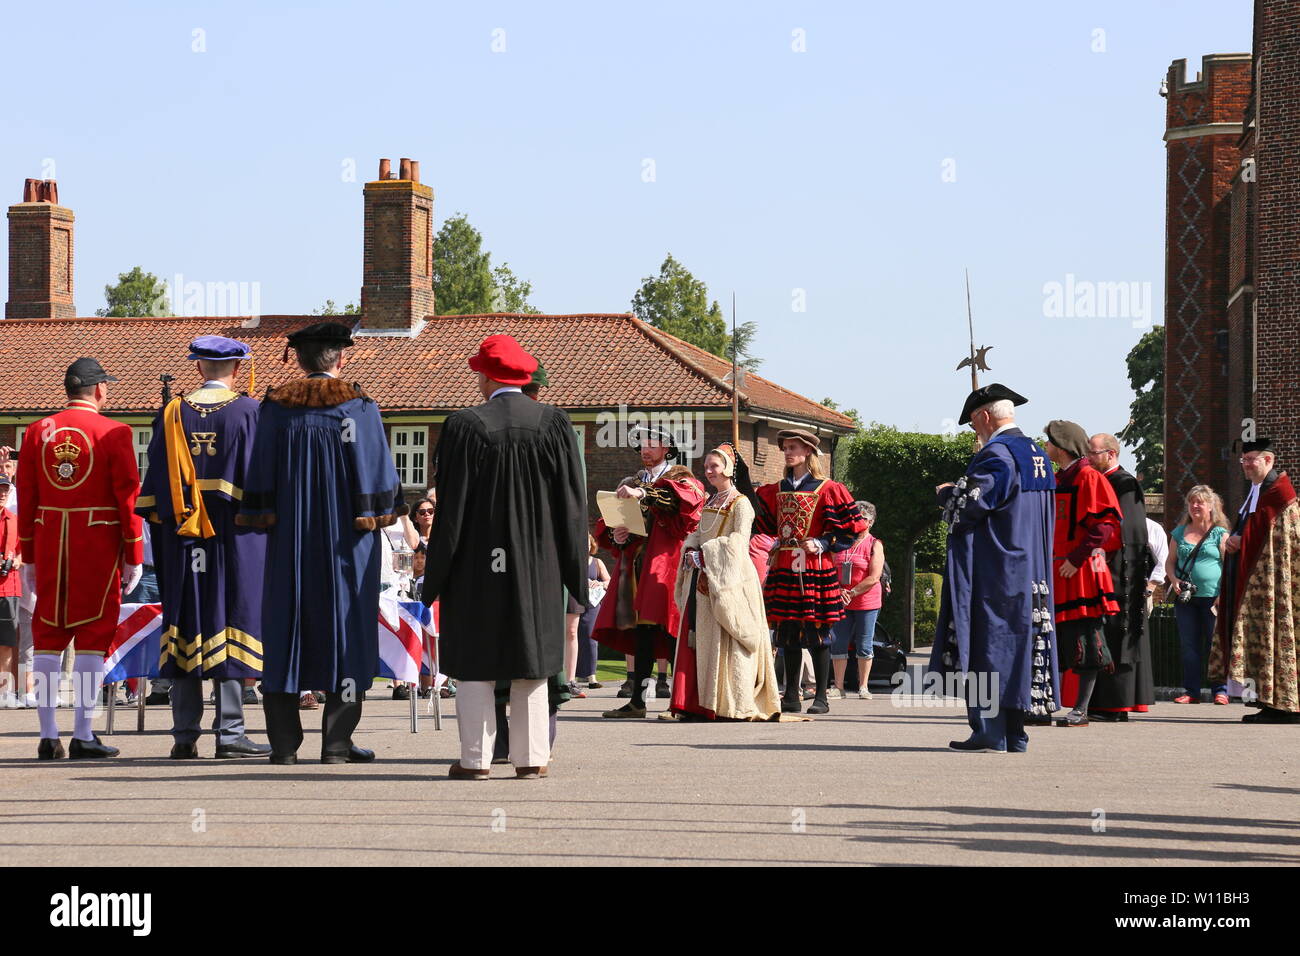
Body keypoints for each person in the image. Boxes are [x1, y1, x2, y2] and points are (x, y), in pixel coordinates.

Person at [238, 322, 406, 764]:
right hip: (344, 546)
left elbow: (259, 478)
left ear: (298, 358)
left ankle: (284, 747)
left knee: (285, 628)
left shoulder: (275, 407)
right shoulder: (358, 407)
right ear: (341, 358)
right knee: (344, 631)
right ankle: (336, 744)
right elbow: (377, 478)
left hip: (289, 545)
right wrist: (374, 515)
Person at [422, 335, 588, 779]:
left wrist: (435, 575)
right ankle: (532, 758)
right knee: (531, 657)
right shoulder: (555, 424)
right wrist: (575, 573)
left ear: (488, 375)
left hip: (478, 564)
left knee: (476, 659)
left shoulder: (463, 425)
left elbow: (450, 511)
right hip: (540, 564)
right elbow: (574, 507)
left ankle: (475, 759)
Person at [136, 336, 271, 759]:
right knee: (234, 617)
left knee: (185, 619)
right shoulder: (250, 411)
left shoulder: (171, 412)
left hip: (182, 538)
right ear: (236, 368)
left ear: (198, 368)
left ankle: (183, 734)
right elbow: (264, 485)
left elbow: (154, 494)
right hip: (236, 537)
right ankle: (229, 731)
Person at [17, 358, 143, 758]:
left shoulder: (38, 430)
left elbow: (27, 495)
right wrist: (133, 552)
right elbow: (128, 497)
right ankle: (84, 733)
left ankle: (48, 734)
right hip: (98, 542)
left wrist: (30, 555)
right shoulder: (116, 431)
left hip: (51, 539)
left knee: (48, 636)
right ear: (100, 390)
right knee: (92, 638)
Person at [930, 385, 1058, 752]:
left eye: (973, 423)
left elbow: (968, 505)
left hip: (997, 567)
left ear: (985, 416)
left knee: (989, 645)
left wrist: (944, 492)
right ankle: (1015, 733)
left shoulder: (997, 456)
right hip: (1032, 567)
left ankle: (989, 731)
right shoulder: (1036, 454)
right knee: (1020, 649)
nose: (975, 431)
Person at [593, 426, 705, 719]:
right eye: (642, 444)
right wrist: (619, 535)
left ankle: (681, 702)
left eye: (652, 443)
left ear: (667, 449)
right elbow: (628, 524)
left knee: (672, 631)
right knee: (642, 634)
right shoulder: (633, 481)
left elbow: (678, 503)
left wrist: (642, 493)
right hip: (638, 565)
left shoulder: (681, 479)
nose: (645, 448)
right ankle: (638, 701)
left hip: (667, 566)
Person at [753, 429, 864, 715]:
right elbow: (763, 522)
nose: (787, 452)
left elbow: (850, 528)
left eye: (793, 448)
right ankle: (790, 694)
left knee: (817, 631)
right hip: (785, 565)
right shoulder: (776, 488)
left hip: (815, 565)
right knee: (788, 631)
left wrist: (823, 542)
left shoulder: (827, 488)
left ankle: (822, 697)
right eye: (785, 448)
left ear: (807, 452)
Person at [669, 444, 780, 721]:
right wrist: (691, 549)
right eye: (706, 466)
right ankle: (696, 703)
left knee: (728, 639)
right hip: (703, 576)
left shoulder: (741, 503)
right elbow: (698, 532)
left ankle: (729, 703)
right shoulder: (711, 500)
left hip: (731, 580)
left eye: (714, 466)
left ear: (729, 469)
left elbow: (740, 542)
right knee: (700, 639)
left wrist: (705, 554)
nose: (708, 471)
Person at [1211, 439, 1299, 724]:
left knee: (1273, 634)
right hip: (1254, 581)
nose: (1247, 465)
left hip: (1271, 583)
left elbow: (1278, 540)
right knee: (1261, 637)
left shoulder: (1279, 494)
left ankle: (1286, 705)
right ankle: (1269, 702)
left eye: (1252, 459)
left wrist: (1240, 539)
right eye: (1244, 460)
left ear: (1269, 461)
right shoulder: (1257, 493)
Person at [1043, 420, 1120, 728]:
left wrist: (1075, 559)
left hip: (1080, 572)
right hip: (1060, 571)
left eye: (1048, 441)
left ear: (1061, 446)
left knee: (1087, 639)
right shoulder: (1060, 477)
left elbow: (1105, 525)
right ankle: (1049, 704)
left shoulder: (1088, 477)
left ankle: (1082, 709)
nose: (1045, 446)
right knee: (1059, 640)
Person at [1085, 433, 1155, 721]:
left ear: (1111, 454)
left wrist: (1095, 550)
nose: (1089, 458)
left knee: (1118, 634)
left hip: (1120, 572)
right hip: (1110, 568)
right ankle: (1106, 702)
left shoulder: (1124, 484)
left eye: (1094, 453)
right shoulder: (1106, 481)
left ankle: (1115, 705)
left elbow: (1124, 529)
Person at [1166, 485, 1230, 705]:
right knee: (1189, 647)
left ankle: (1220, 690)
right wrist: (1174, 580)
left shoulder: (1220, 534)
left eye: (1200, 502)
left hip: (1213, 599)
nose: (1195, 506)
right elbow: (1170, 562)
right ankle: (1192, 691)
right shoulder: (1179, 532)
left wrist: (1223, 593)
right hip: (1186, 599)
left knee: (1215, 645)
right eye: (1192, 502)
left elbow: (1228, 565)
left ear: (1211, 506)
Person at [829, 501, 885, 700]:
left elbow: (874, 577)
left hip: (866, 602)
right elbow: (830, 569)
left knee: (864, 643)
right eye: (854, 518)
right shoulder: (842, 542)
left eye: (861, 519)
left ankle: (863, 686)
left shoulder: (874, 544)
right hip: (841, 600)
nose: (856, 522)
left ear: (870, 522)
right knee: (838, 642)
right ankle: (838, 686)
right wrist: (838, 590)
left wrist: (851, 592)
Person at [576, 535, 609, 688]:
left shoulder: (597, 562)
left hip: (592, 605)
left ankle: (591, 677)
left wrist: (600, 583)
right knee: (572, 638)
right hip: (574, 603)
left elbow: (609, 581)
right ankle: (573, 677)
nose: (586, 547)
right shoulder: (573, 561)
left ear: (592, 546)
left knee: (590, 640)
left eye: (588, 544)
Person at [0, 475, 22, 708]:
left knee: (6, 643)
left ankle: (4, 691)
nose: (2, 494)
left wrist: (17, 559)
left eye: (5, 490)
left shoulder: (15, 520)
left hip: (9, 587)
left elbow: (24, 550)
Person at [1144, 515, 1169, 610]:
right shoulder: (1111, 524)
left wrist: (1149, 589)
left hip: (1143, 591)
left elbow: (1162, 561)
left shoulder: (1153, 528)